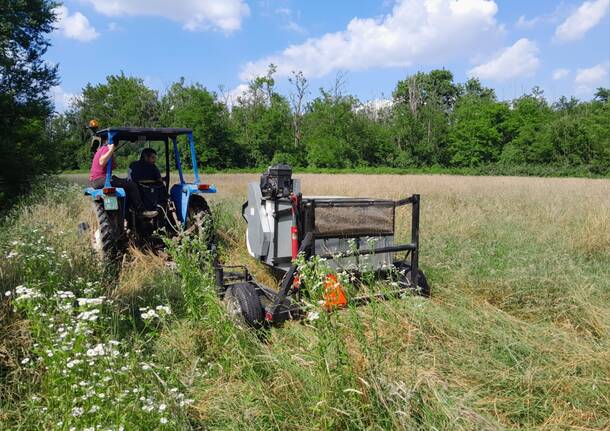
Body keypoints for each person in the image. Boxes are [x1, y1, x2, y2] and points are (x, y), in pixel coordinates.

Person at [89, 137, 156, 217]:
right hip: (101, 180)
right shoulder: (106, 149)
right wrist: (111, 150)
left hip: (97, 180)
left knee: (126, 183)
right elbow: (101, 162)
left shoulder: (102, 150)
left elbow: (114, 166)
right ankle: (141, 211)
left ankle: (127, 213)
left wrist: (112, 153)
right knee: (132, 185)